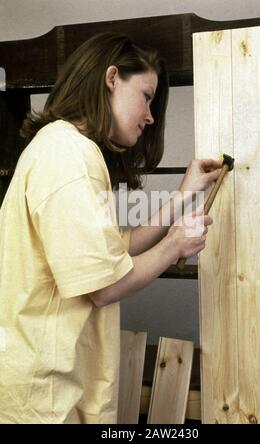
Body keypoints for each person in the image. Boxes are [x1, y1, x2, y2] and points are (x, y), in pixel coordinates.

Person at [0, 32, 221, 424]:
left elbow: (114, 252)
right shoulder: (68, 156)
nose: (151, 116)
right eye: (147, 96)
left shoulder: (63, 148)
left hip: (51, 387)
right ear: (112, 78)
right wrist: (174, 245)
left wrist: (183, 194)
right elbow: (104, 286)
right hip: (44, 398)